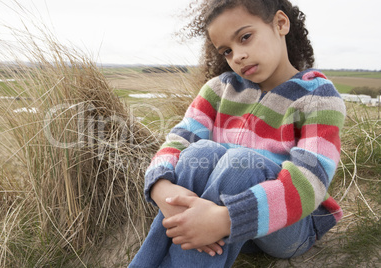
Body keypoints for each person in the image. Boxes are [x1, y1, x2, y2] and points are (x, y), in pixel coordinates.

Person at [129, 0, 346, 267]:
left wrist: (224, 220)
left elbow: (309, 184)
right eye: (227, 51)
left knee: (241, 163)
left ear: (280, 23)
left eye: (245, 37)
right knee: (200, 152)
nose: (238, 56)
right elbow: (178, 141)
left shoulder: (317, 97)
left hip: (288, 226)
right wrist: (163, 190)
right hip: (222, 228)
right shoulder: (218, 90)